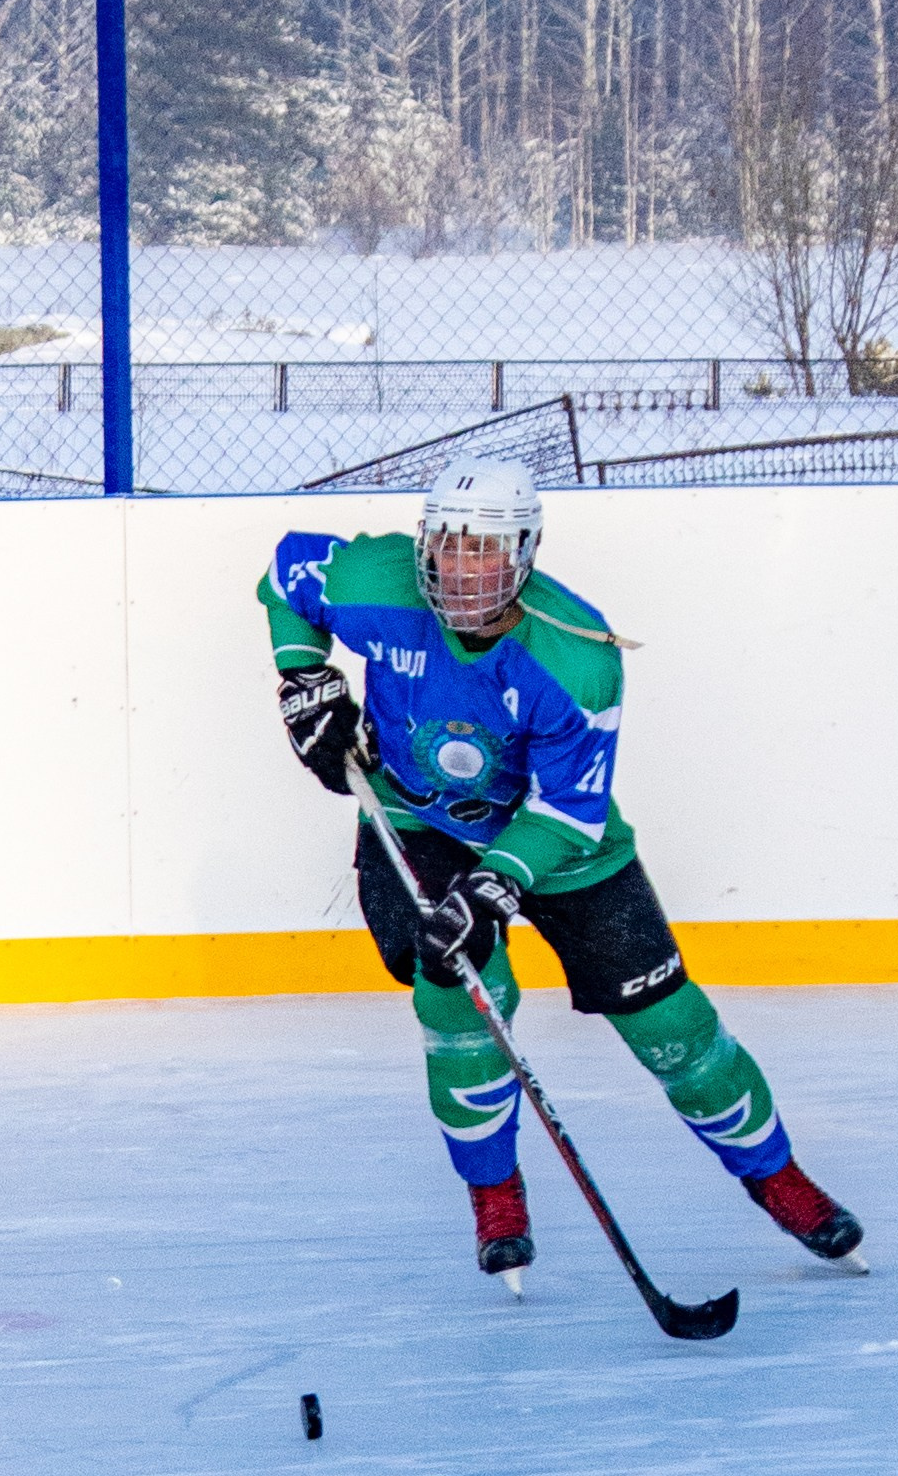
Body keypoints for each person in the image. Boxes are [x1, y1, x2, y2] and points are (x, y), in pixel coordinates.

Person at [261, 457, 864, 1287]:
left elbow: (570, 808)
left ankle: (778, 1178)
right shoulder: (377, 581)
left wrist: (494, 883)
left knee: (670, 1023)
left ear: (525, 553)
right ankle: (494, 1194)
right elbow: (284, 574)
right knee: (459, 990)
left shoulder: (578, 656)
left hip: (559, 840)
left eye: (485, 550)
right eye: (447, 545)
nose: (461, 569)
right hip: (417, 821)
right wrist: (305, 677)